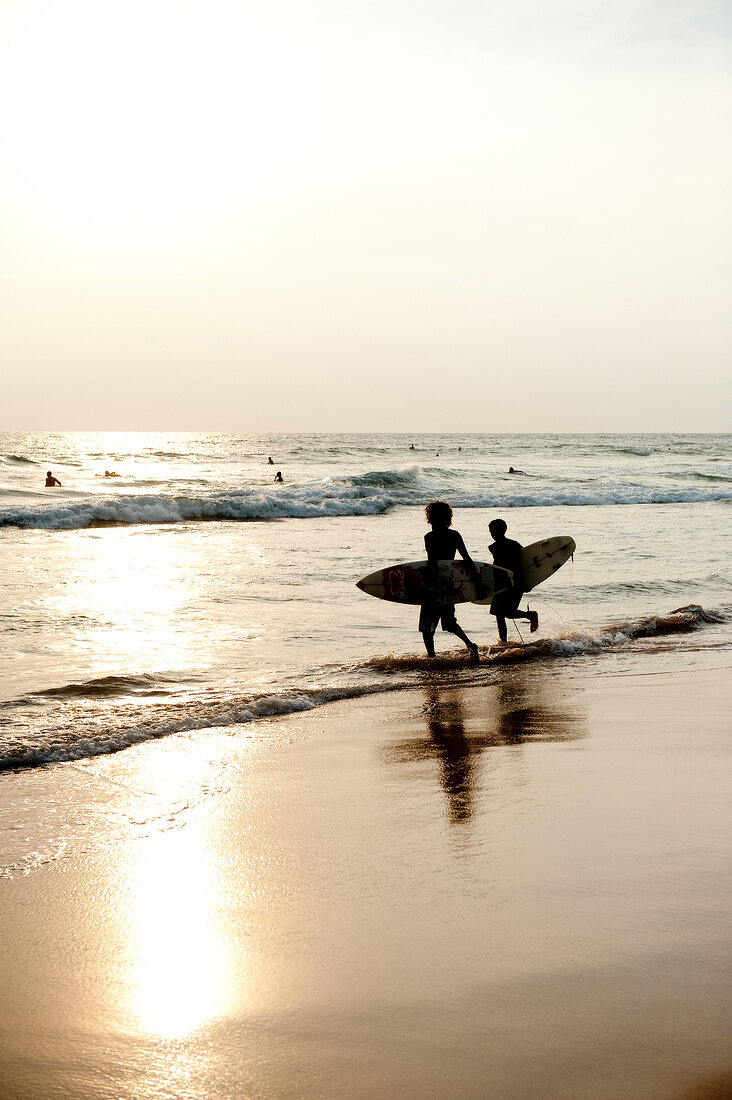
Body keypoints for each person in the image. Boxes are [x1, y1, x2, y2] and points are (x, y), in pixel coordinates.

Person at [420, 500, 481, 663]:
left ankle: (432, 658)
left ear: (431, 518)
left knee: (428, 628)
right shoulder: (454, 535)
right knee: (448, 623)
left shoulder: (430, 537)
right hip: (449, 584)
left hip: (434, 585)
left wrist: (428, 586)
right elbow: (467, 560)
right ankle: (470, 644)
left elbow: (433, 563)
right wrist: (478, 584)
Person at [487, 519, 538, 643]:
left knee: (507, 613)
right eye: (491, 531)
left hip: (513, 583)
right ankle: (503, 642)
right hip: (502, 583)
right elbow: (526, 561)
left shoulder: (496, 547)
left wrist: (526, 583)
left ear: (501, 531)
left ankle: (530, 615)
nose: (492, 534)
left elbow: (520, 564)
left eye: (493, 531)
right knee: (499, 614)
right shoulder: (513, 545)